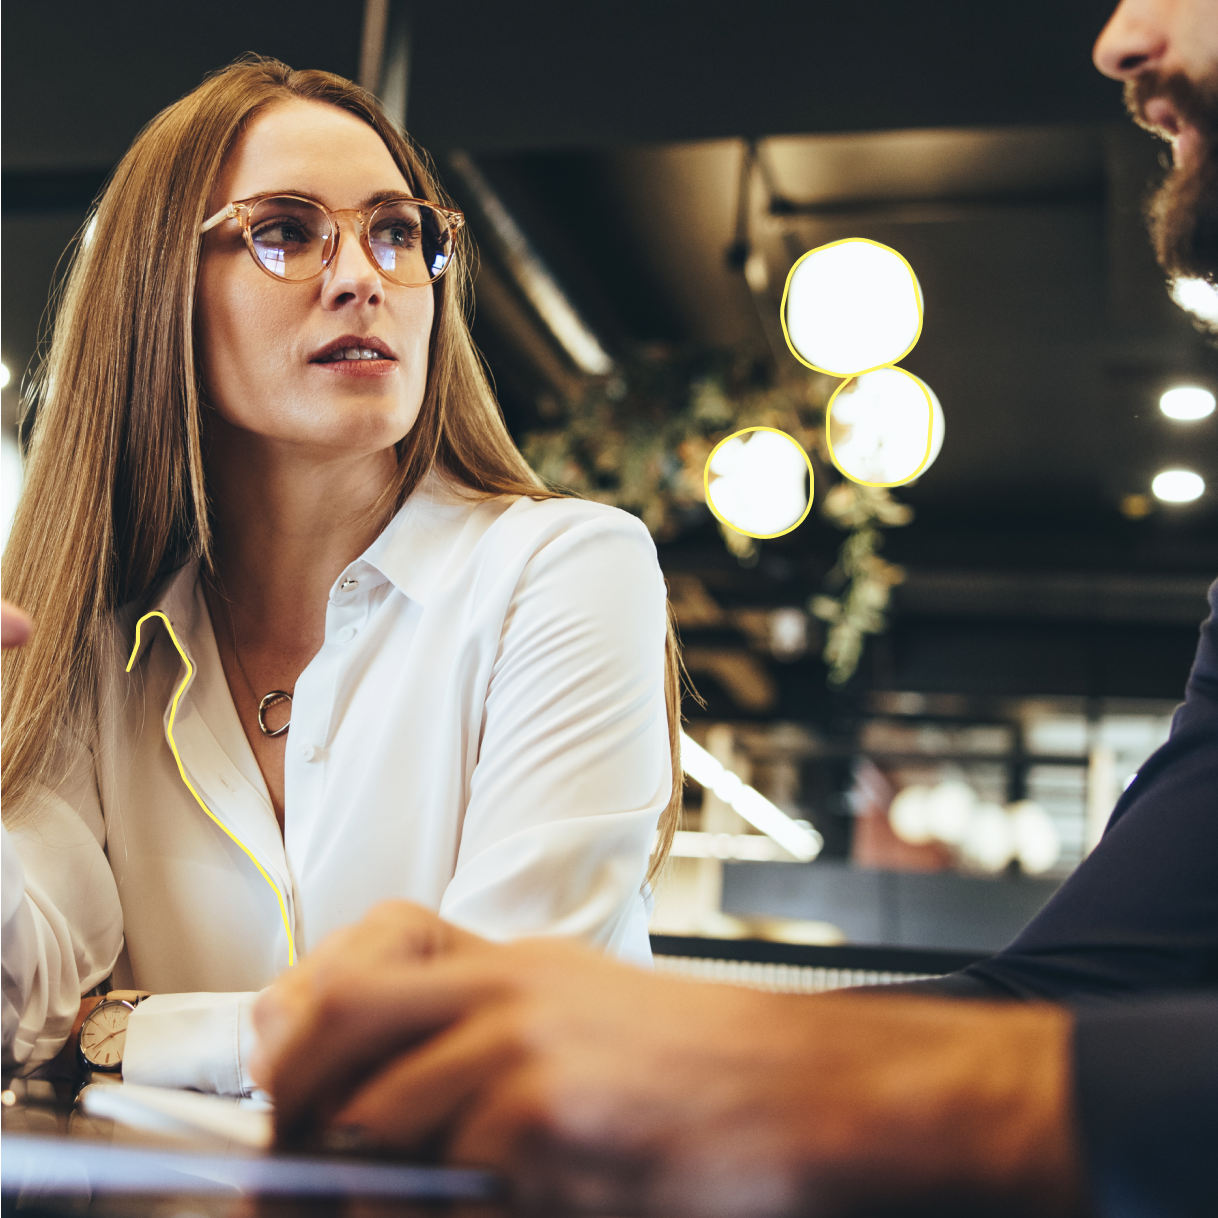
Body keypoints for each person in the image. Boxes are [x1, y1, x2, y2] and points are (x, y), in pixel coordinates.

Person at [249, 1, 1218, 1214]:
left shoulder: (562, 564)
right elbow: (1097, 990)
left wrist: (819, 1077)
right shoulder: (103, 622)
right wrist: (666, 1042)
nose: (1121, 38)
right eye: (283, 233)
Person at [0, 61, 683, 1092]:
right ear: (159, 294)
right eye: (285, 229)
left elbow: (495, 1038)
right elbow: (20, 1001)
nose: (364, 274)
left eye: (397, 231)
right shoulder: (98, 644)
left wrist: (121, 1033)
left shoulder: (565, 571)